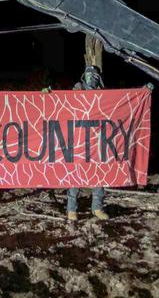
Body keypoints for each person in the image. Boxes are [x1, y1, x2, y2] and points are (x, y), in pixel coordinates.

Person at [67, 65, 109, 222]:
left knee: (98, 174)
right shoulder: (76, 90)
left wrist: (143, 91)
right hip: (78, 139)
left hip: (97, 140)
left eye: (96, 75)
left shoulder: (103, 93)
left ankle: (97, 207)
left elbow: (122, 102)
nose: (93, 78)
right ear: (84, 76)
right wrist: (48, 95)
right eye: (90, 75)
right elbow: (63, 104)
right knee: (76, 175)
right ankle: (72, 209)